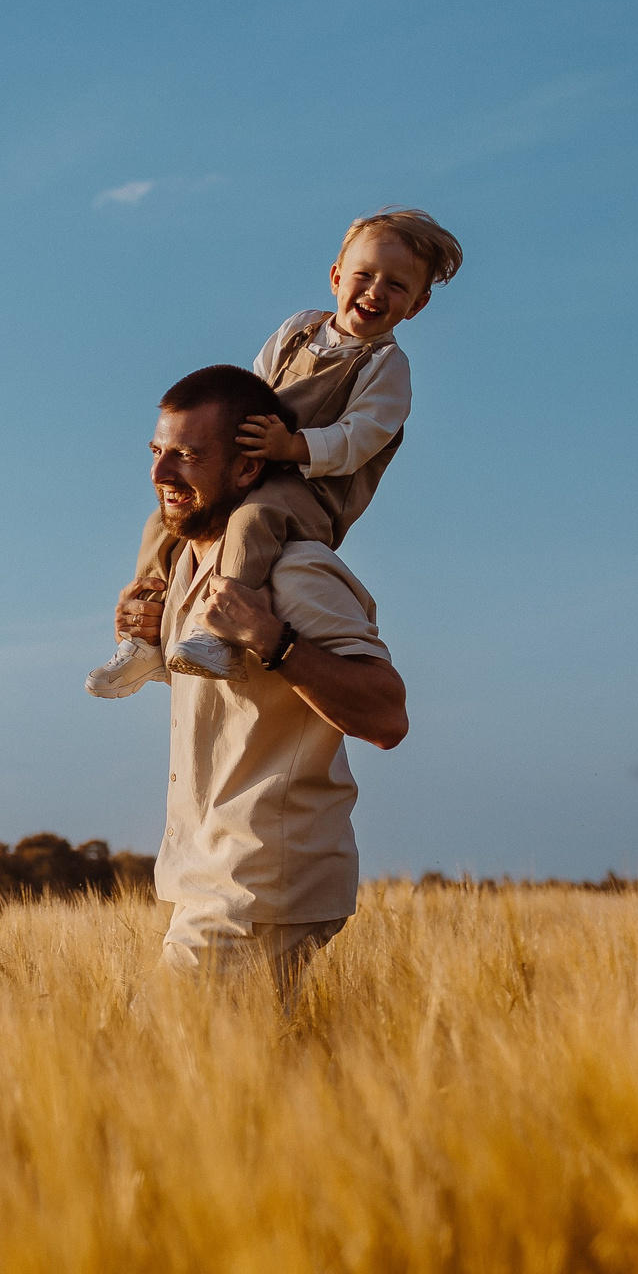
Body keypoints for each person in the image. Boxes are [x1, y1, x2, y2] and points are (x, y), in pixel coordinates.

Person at [113, 365, 409, 998]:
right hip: (206, 876)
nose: (161, 475)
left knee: (148, 1063)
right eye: (158, 452)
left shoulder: (296, 570)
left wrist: (274, 641)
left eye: (189, 457)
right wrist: (152, 637)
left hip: (261, 880)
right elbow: (237, 701)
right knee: (232, 1085)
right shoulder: (190, 568)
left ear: (247, 468)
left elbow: (387, 715)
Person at [88, 206, 461, 695]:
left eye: (396, 286)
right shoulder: (299, 328)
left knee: (252, 520)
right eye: (364, 275)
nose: (375, 292)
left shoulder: (386, 367)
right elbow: (255, 390)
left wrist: (292, 445)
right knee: (168, 514)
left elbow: (359, 439)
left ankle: (218, 631)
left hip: (312, 492)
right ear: (335, 276)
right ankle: (144, 633)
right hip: (256, 467)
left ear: (417, 305)